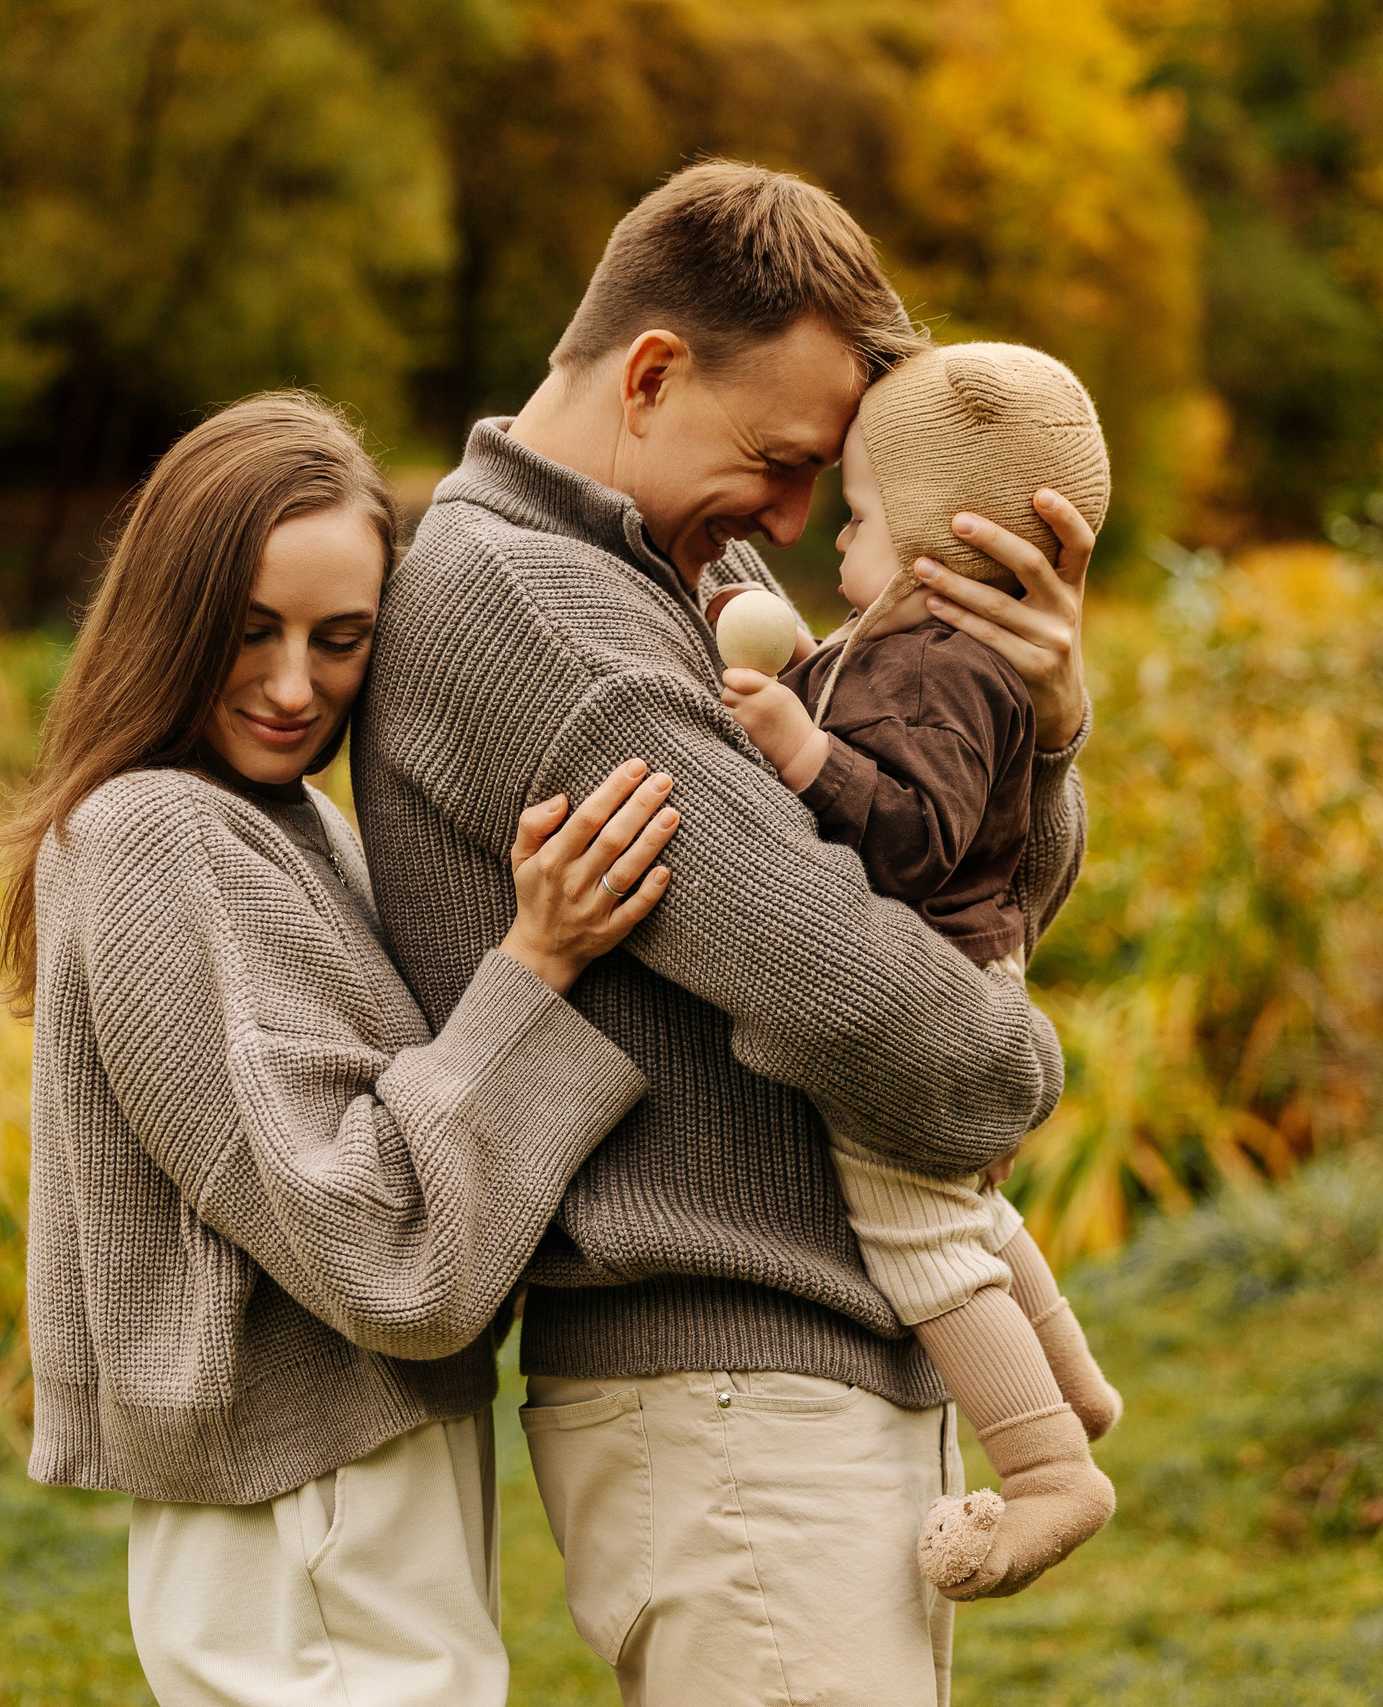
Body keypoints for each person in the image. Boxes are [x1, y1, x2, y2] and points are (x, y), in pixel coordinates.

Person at [355, 163, 1099, 1704]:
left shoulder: (690, 570)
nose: (794, 516)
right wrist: (1015, 1075)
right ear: (648, 374)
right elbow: (860, 998)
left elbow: (969, 888)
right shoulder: (536, 606)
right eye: (778, 459)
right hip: (730, 1395)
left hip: (805, 1375)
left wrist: (1042, 725)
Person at [0, 391, 681, 1707]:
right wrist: (533, 963)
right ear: (170, 613)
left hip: (338, 1480)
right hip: (301, 1501)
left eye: (342, 637)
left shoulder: (285, 819)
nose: (296, 684)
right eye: (249, 631)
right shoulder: (155, 832)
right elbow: (376, 1240)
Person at [718, 341, 1125, 1602]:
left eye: (856, 520)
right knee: (964, 1211)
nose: (835, 546)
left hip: (937, 991)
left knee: (921, 1238)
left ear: (940, 547)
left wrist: (796, 750)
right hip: (969, 977)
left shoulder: (940, 666)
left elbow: (917, 832)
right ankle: (1076, 1386)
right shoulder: (918, 647)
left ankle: (1053, 1470)